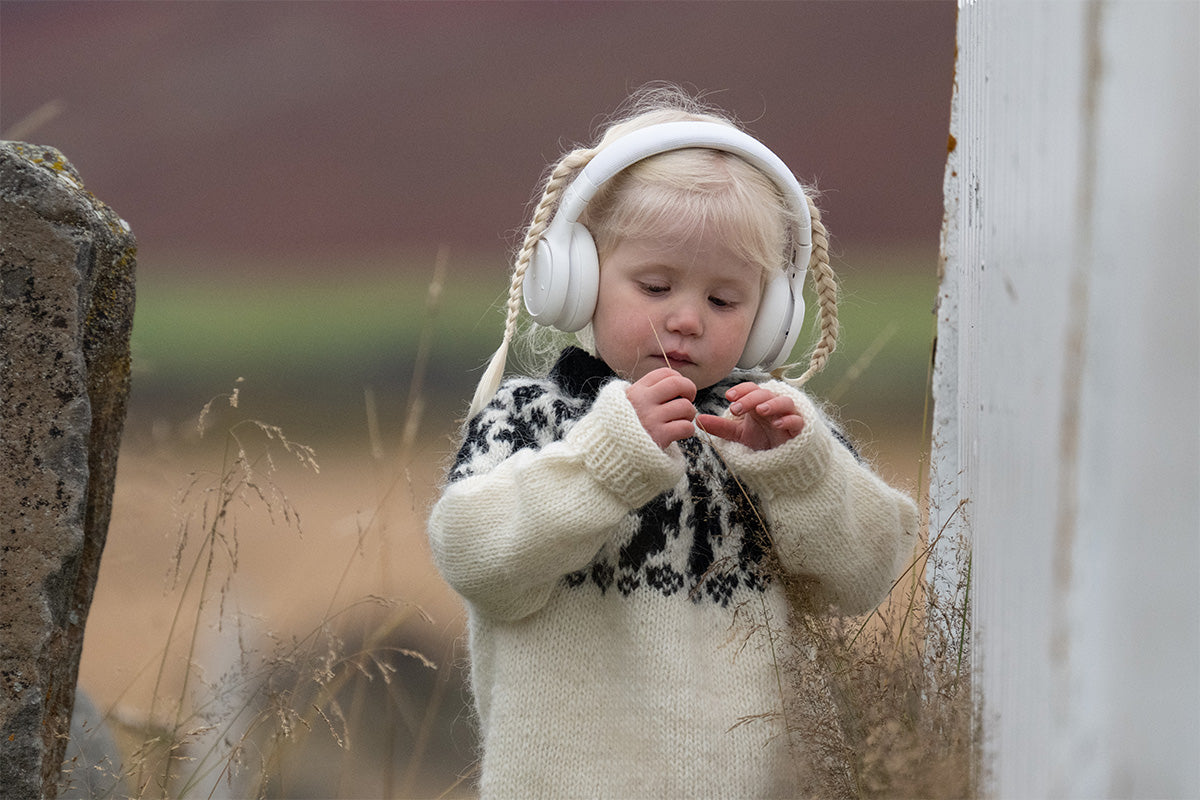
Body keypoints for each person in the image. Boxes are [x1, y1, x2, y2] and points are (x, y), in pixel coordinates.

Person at [427, 86, 919, 799]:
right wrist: (608, 462)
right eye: (656, 286)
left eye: (725, 300)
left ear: (771, 316)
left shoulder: (777, 431)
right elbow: (472, 553)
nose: (687, 319)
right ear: (577, 278)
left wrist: (803, 473)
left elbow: (869, 573)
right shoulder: (531, 417)